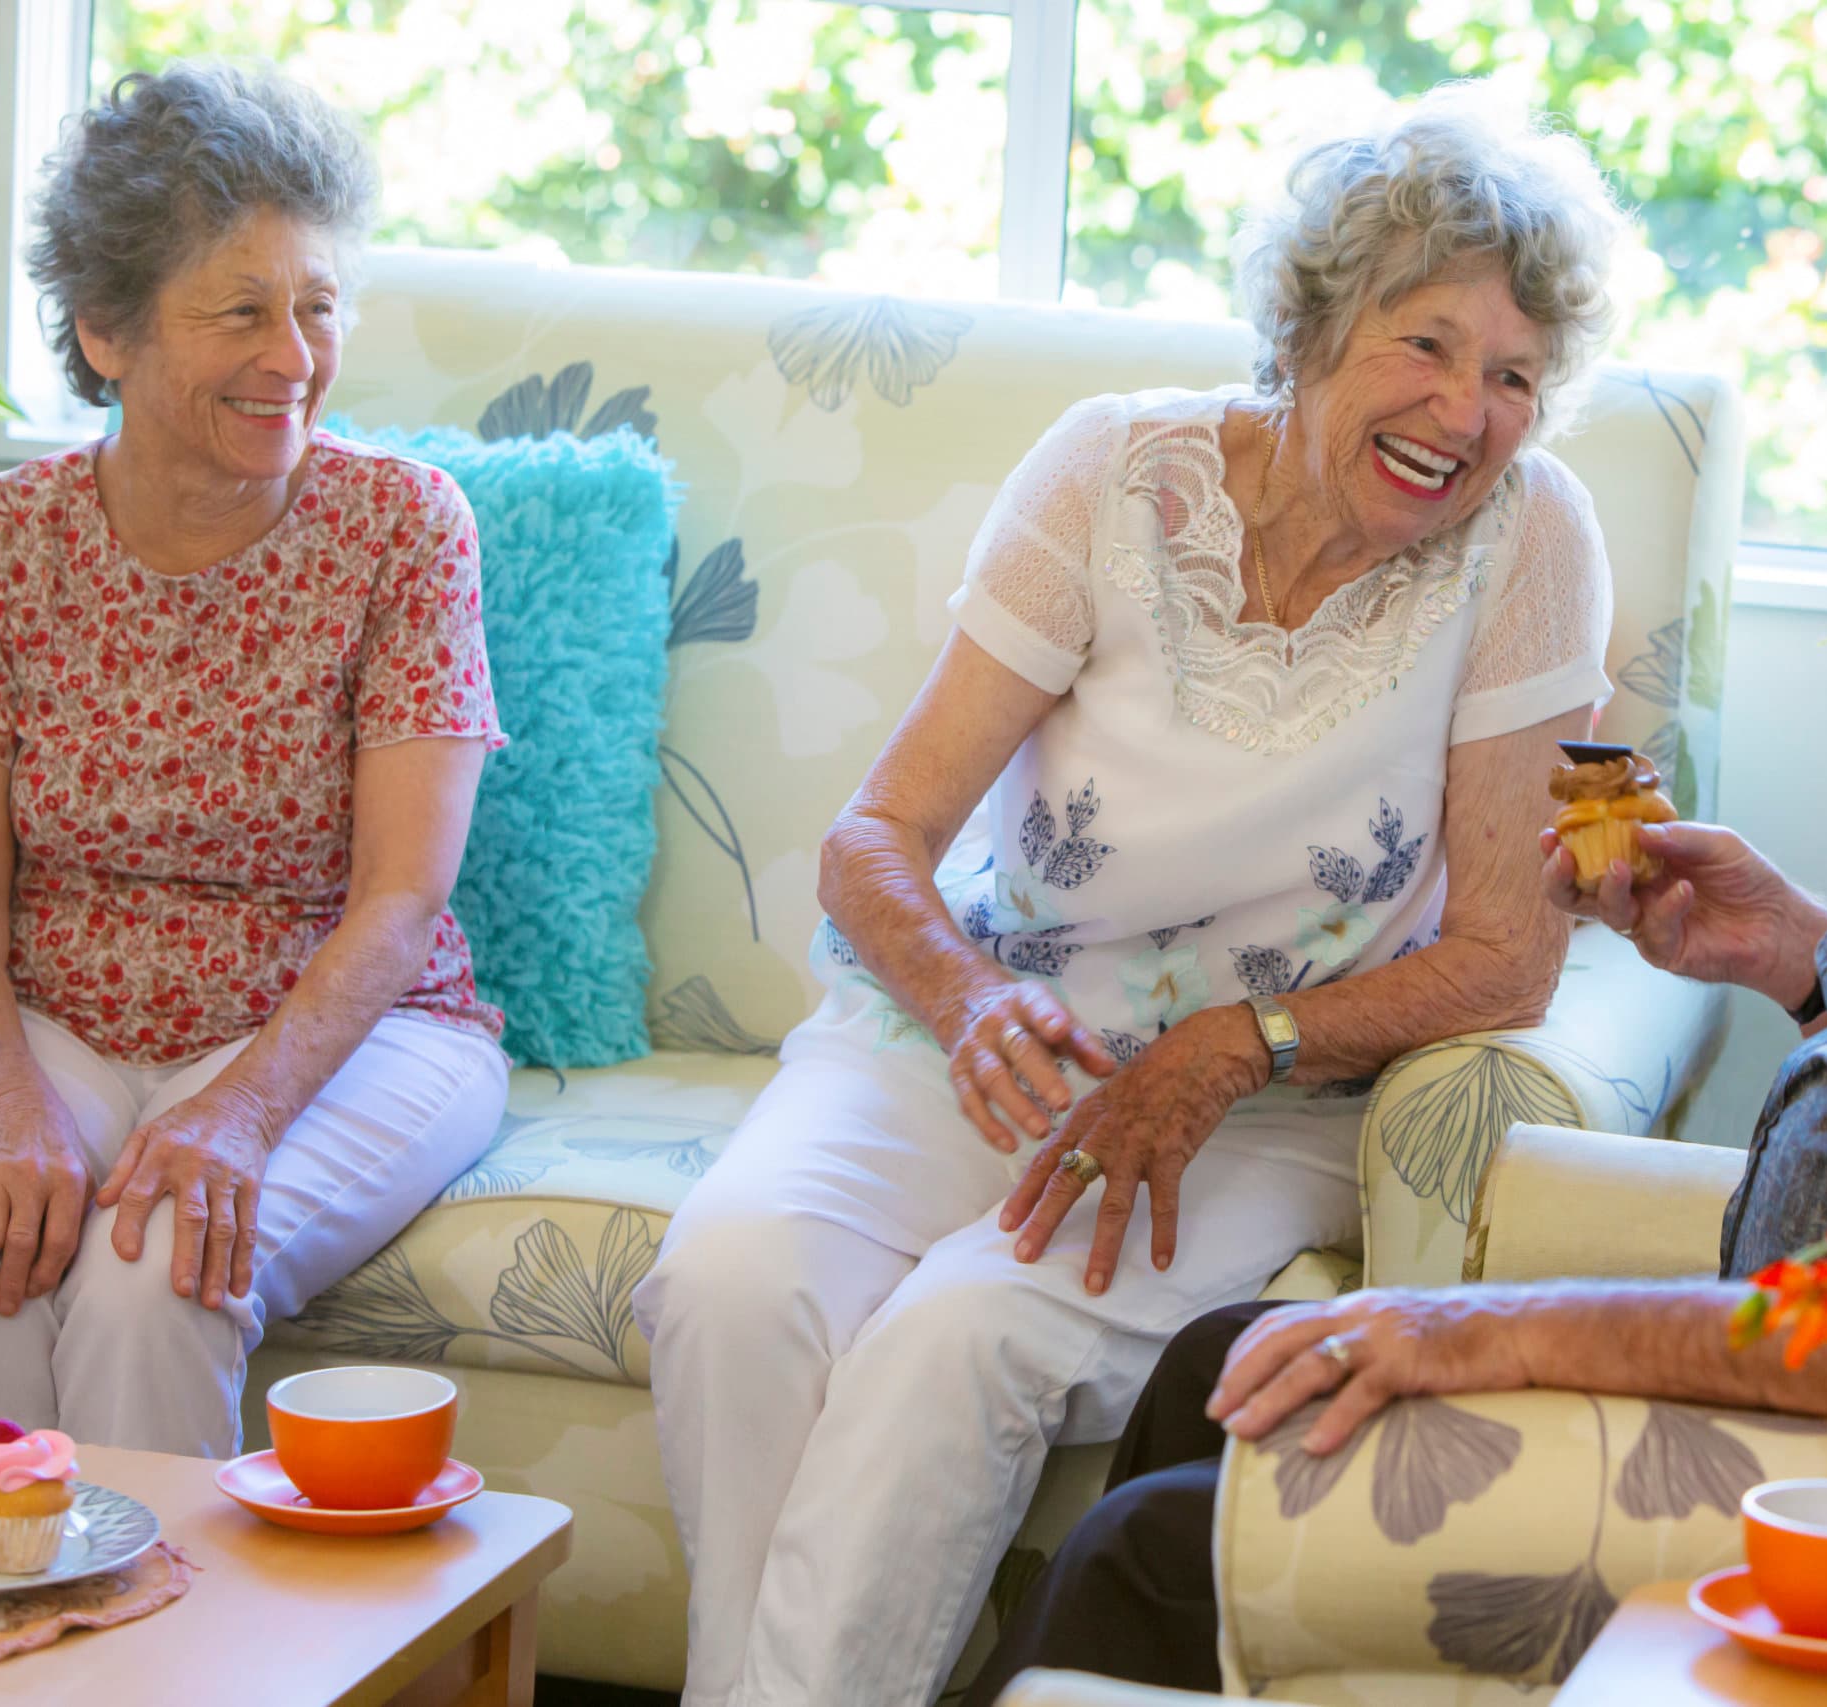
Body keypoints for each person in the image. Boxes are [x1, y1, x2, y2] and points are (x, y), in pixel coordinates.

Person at [966, 229, 1827, 1701]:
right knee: (1219, 1371)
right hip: (1819, 1372)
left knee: (1158, 1549)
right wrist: (1799, 951)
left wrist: (1481, 1333)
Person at [632, 84, 1630, 1707]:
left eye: (1514, 374)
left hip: (1263, 1097)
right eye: (1427, 345)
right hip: (974, 1030)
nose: (1467, 411)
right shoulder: (1112, 472)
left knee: (960, 1341)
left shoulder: (1528, 540)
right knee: (733, 1281)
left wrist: (1242, 1041)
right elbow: (874, 839)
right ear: (1311, 333)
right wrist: (967, 1003)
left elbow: (1509, 959)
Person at [0, 64, 509, 1458]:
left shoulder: (404, 526)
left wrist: (240, 1111)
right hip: (39, 1013)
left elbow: (401, 897)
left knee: (162, 1272)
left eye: (317, 309)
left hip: (345, 1028)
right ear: (107, 333)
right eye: (241, 313)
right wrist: (15, 1115)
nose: (294, 357)